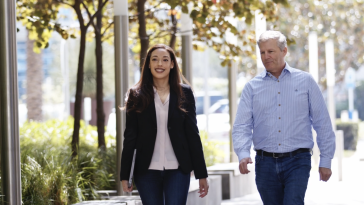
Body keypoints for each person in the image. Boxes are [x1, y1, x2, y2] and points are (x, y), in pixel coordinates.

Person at [232, 30, 336, 205]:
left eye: (270, 51)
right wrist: (242, 153)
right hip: (264, 163)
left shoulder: (306, 81)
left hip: (298, 161)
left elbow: (322, 122)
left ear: (284, 51)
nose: (266, 57)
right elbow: (242, 125)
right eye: (262, 52)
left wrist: (326, 160)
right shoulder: (252, 88)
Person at [120, 44, 209, 205]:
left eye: (165, 60)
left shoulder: (185, 93)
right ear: (148, 64)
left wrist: (201, 174)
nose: (159, 64)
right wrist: (125, 175)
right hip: (146, 170)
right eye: (154, 59)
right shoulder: (136, 94)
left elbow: (192, 135)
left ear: (172, 64)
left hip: (178, 169)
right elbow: (130, 137)